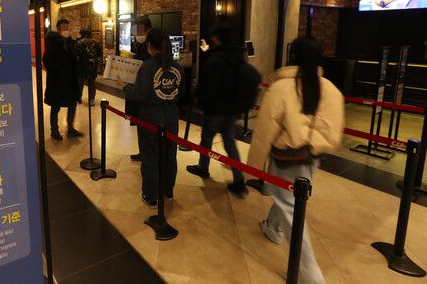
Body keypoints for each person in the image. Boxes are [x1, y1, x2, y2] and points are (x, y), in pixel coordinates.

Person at [247, 37, 344, 284]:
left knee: (290, 206)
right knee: (289, 197)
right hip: (312, 156)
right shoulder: (331, 89)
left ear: (293, 56)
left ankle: (311, 275)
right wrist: (314, 143)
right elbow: (333, 133)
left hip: (286, 157)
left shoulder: (281, 88)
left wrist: (252, 167)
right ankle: (272, 227)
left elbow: (264, 132)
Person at [117, 28, 183, 208]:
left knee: (150, 158)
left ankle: (151, 196)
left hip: (151, 118)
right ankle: (168, 191)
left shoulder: (147, 67)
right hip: (171, 116)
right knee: (170, 156)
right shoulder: (177, 66)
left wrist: (124, 86)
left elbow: (139, 95)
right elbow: (181, 93)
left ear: (150, 45)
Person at [186, 23, 250, 196]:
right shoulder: (238, 56)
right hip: (232, 108)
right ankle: (239, 180)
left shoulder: (217, 58)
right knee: (230, 142)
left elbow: (208, 85)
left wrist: (199, 98)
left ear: (217, 38)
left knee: (207, 138)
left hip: (216, 108)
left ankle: (203, 167)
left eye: (213, 37)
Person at [43, 19, 84, 141]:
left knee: (72, 103)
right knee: (55, 105)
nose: (66, 29)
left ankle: (70, 128)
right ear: (58, 28)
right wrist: (59, 71)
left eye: (67, 26)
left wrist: (77, 71)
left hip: (70, 80)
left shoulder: (71, 42)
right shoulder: (53, 42)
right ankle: (54, 130)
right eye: (63, 27)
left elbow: (74, 59)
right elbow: (47, 60)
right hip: (57, 80)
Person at [127, 16, 152, 161]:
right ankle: (143, 152)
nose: (137, 33)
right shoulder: (140, 43)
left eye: (139, 30)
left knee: (146, 125)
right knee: (140, 123)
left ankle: (147, 153)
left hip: (146, 90)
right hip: (139, 86)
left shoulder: (152, 44)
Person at [76, 29, 103, 106]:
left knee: (80, 83)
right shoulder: (96, 42)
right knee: (92, 83)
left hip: (81, 65)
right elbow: (100, 54)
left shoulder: (79, 43)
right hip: (93, 65)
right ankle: (91, 100)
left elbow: (76, 55)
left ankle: (79, 98)